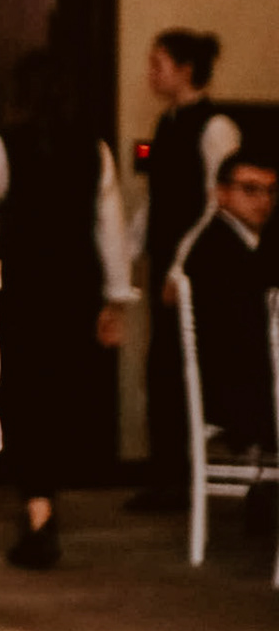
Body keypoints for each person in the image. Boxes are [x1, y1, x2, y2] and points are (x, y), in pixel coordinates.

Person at [0, 52, 134, 570]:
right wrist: (115, 296)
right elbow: (108, 228)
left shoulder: (2, 145)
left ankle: (34, 511)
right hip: (74, 288)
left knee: (20, 394)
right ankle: (41, 505)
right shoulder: (95, 151)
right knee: (54, 397)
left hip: (19, 288)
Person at [131, 29, 241, 511]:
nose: (151, 75)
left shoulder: (216, 127)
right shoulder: (167, 123)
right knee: (163, 369)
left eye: (159, 64)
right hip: (166, 265)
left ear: (186, 70)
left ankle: (187, 480)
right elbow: (157, 198)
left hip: (198, 272)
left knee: (190, 369)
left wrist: (181, 265)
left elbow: (218, 204)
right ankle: (167, 476)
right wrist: (131, 250)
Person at [169, 152, 279, 454]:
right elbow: (246, 337)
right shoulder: (219, 252)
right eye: (250, 189)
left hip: (239, 385)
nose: (263, 200)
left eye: (270, 190)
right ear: (222, 193)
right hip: (233, 394)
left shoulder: (239, 243)